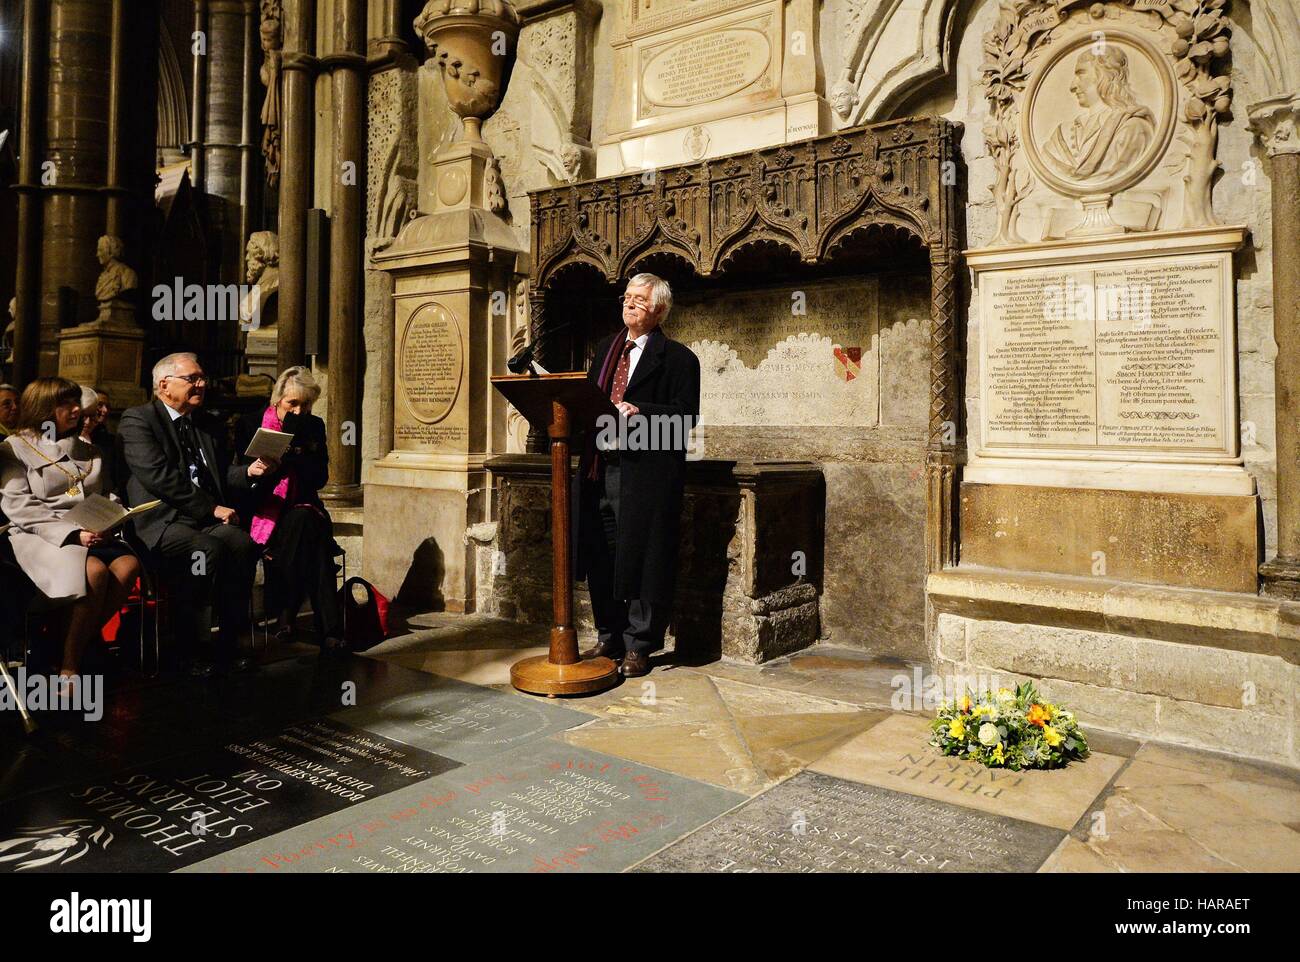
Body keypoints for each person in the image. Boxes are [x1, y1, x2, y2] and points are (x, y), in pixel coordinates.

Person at [118, 352, 276, 675]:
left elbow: (219, 475)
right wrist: (212, 508)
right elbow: (160, 477)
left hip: (203, 520)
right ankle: (189, 650)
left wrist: (250, 472)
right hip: (161, 522)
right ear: (164, 385)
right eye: (193, 379)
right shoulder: (138, 420)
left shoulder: (207, 426)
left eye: (202, 378)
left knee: (242, 544)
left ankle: (230, 644)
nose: (202, 384)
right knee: (206, 551)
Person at [575, 273, 700, 678]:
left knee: (645, 557)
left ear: (659, 309)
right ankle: (609, 634)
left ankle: (640, 645)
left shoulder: (679, 359)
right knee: (602, 553)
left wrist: (641, 411)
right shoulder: (605, 349)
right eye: (626, 297)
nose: (629, 304)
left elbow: (686, 417)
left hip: (645, 473)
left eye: (639, 300)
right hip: (600, 465)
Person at [0, 378, 141, 682]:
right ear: (44, 407)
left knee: (128, 565)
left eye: (77, 401)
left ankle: (62, 644)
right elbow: (19, 507)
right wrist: (72, 534)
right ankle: (70, 664)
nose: (77, 409)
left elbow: (104, 495)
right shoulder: (16, 447)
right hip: (39, 535)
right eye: (66, 403)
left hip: (92, 531)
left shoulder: (88, 449)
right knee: (94, 573)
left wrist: (112, 517)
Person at [250, 366, 345, 651]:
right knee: (315, 549)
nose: (298, 411)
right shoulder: (252, 423)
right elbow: (239, 479)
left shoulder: (313, 427)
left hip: (304, 507)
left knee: (304, 520)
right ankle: (329, 628)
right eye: (293, 403)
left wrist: (297, 451)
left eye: (305, 405)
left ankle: (285, 615)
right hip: (265, 511)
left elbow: (319, 480)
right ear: (277, 399)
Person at [1042, 47, 1154, 183]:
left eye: (1080, 74)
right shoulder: (1061, 134)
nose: (1073, 86)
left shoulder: (1133, 128)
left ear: (1104, 75)